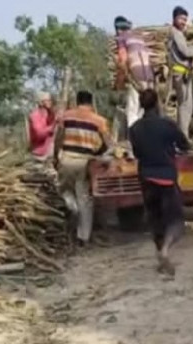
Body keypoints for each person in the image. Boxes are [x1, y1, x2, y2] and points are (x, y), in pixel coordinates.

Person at [129, 88, 190, 275]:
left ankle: (160, 256)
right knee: (176, 221)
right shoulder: (167, 125)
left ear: (140, 105)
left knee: (155, 220)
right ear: (157, 104)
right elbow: (184, 145)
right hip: (166, 178)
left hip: (146, 177)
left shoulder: (134, 129)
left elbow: (137, 154)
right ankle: (165, 251)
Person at [54, 91, 112, 247]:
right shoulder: (99, 121)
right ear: (90, 103)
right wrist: (102, 154)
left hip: (66, 159)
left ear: (77, 101)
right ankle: (83, 237)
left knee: (64, 190)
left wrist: (55, 156)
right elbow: (108, 144)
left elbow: (58, 138)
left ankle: (72, 207)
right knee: (85, 199)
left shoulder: (65, 116)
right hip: (85, 163)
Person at [113, 15, 155, 128]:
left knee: (132, 110)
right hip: (149, 77)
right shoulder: (139, 38)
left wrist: (119, 83)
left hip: (136, 76)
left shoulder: (121, 38)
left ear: (117, 29)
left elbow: (123, 60)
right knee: (142, 109)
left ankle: (133, 139)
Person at [168, 6, 193, 137]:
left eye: (185, 19)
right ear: (174, 18)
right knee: (185, 106)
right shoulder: (176, 33)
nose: (183, 22)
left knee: (185, 105)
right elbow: (185, 51)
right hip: (181, 73)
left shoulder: (176, 33)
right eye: (181, 19)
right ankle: (183, 136)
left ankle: (182, 134)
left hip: (181, 73)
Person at [27, 91, 57, 164]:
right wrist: (53, 126)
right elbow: (39, 134)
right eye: (48, 100)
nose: (50, 102)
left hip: (50, 155)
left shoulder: (51, 115)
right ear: (41, 102)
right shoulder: (35, 116)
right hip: (39, 156)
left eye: (50, 100)